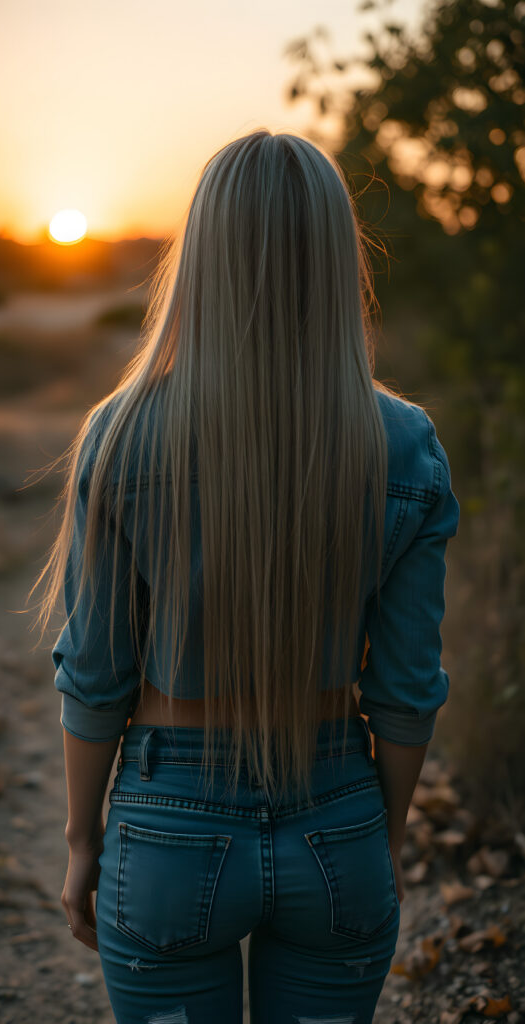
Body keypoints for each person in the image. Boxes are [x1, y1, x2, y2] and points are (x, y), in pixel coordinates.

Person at [31, 128, 460, 1023]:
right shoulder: (405, 444)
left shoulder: (122, 433)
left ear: (202, 258)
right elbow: (406, 688)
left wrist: (82, 842)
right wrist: (375, 838)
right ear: (338, 258)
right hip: (336, 810)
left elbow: (99, 674)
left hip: (165, 829)